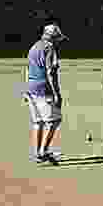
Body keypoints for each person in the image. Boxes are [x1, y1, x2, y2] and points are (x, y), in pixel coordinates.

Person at [24, 24, 68, 164]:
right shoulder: (49, 48)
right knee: (54, 120)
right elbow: (51, 72)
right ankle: (43, 151)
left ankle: (38, 152)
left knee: (38, 122)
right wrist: (57, 93)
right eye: (57, 39)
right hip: (44, 88)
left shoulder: (34, 47)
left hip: (31, 87)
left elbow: (27, 69)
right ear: (53, 38)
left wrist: (26, 89)